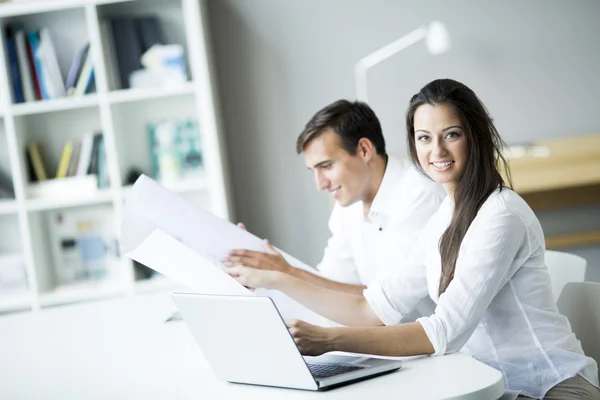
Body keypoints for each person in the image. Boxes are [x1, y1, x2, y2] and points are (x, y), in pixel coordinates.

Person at [224, 79, 600, 399]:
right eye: (424, 138)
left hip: (551, 387)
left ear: (476, 136)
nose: (436, 151)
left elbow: (442, 332)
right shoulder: (443, 218)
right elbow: (371, 309)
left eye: (451, 135)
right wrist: (274, 278)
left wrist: (331, 340)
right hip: (489, 386)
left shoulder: (501, 215)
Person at [228, 99, 444, 320]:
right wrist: (264, 271)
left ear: (364, 150)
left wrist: (285, 274)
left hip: (440, 349)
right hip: (386, 345)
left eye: (326, 166)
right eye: (313, 170)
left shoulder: (421, 195)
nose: (320, 184)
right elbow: (330, 288)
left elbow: (386, 303)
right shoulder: (347, 207)